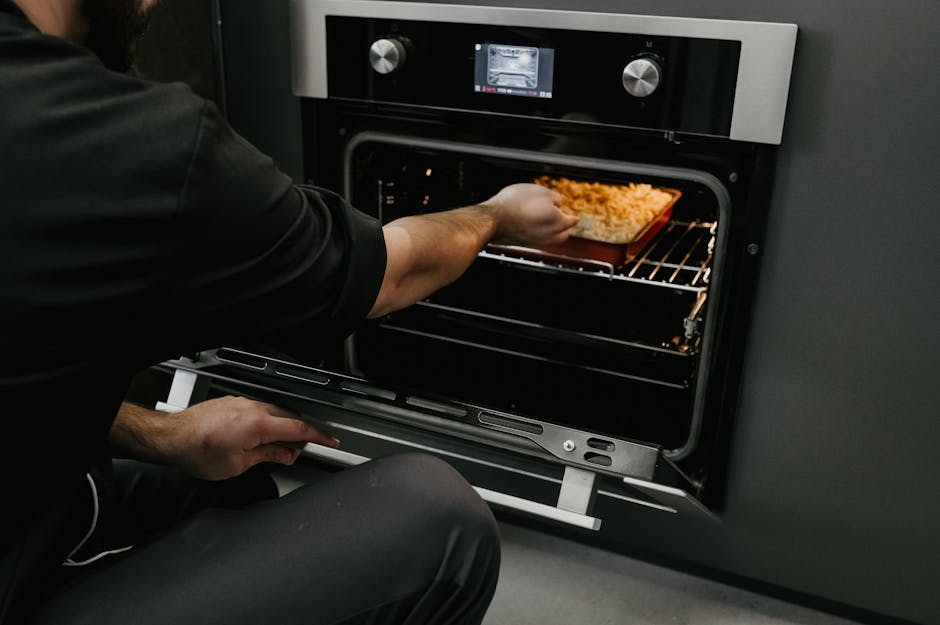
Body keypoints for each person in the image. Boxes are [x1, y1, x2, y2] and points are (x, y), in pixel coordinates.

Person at [0, 0, 579, 623]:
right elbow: (389, 271)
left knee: (230, 488)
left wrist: (163, 434)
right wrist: (496, 214)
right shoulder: (119, 140)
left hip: (28, 509)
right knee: (441, 517)